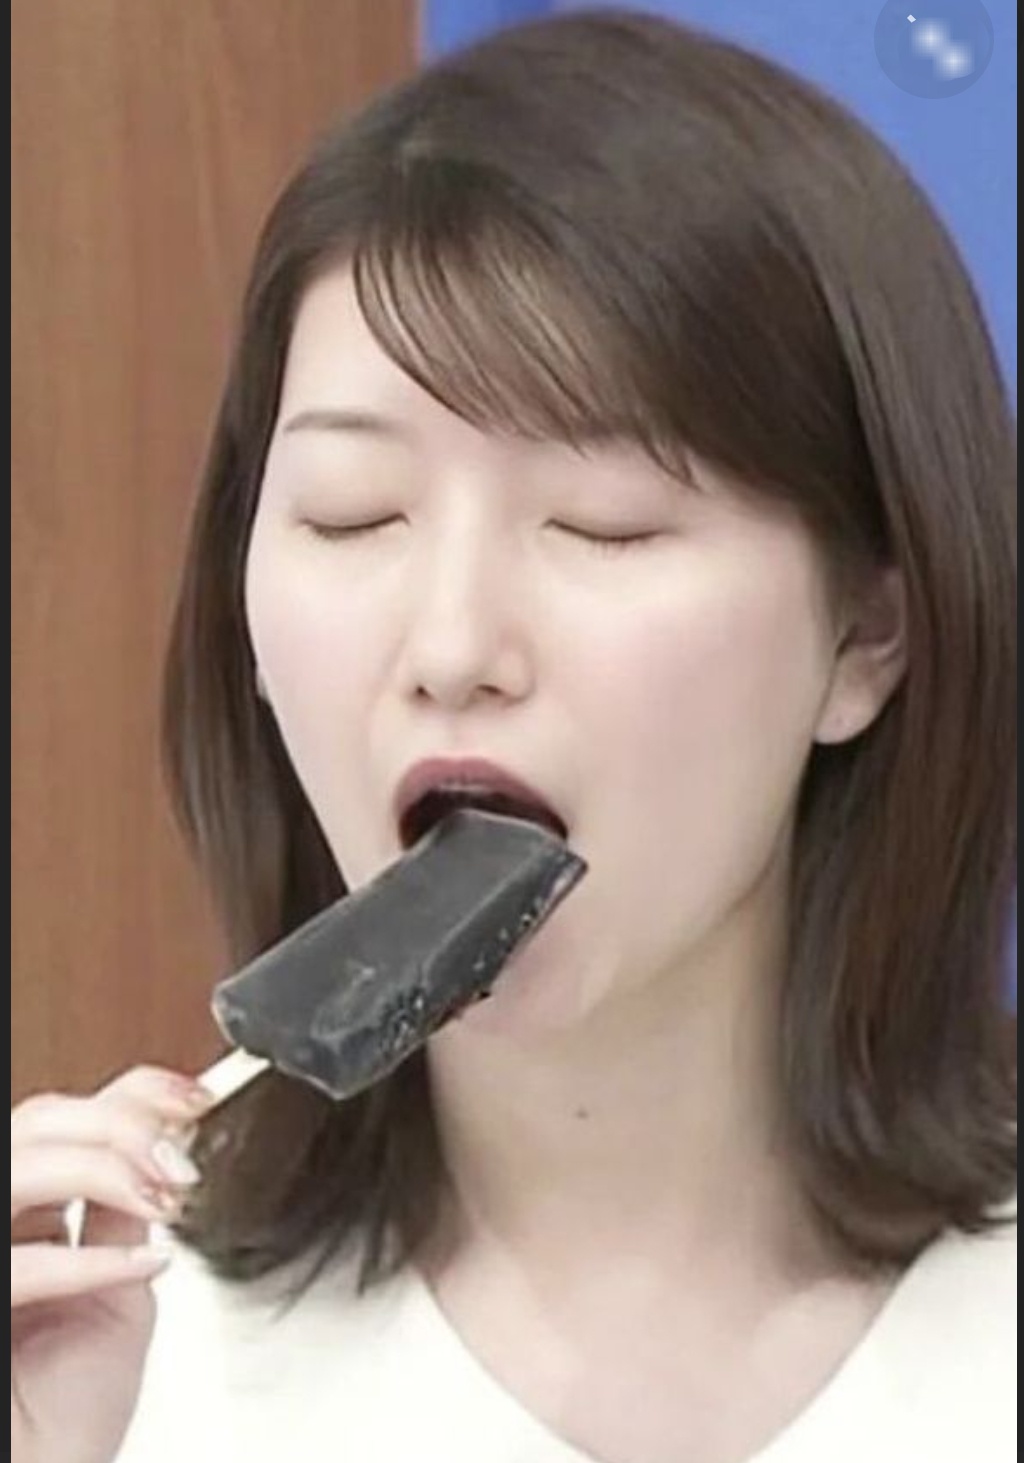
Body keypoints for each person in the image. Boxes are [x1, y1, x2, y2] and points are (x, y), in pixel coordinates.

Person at [10, 10, 1016, 1462]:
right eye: (354, 518)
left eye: (601, 524)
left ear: (864, 635)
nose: (453, 648)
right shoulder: (110, 1355)